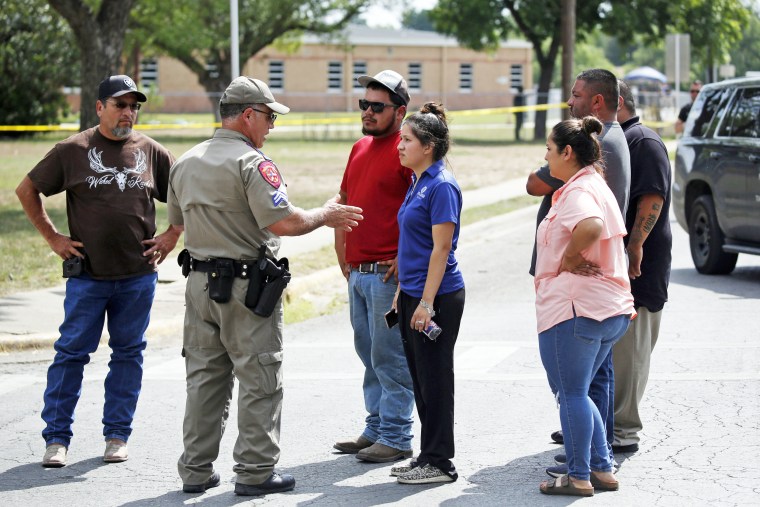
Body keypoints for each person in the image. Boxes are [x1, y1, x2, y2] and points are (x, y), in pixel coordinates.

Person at [167, 76, 363, 497]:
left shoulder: (185, 162)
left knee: (204, 378)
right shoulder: (254, 164)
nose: (271, 125)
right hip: (246, 289)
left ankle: (195, 471)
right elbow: (285, 222)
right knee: (259, 377)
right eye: (269, 116)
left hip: (199, 285)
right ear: (248, 115)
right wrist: (325, 215)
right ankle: (255, 472)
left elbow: (177, 223)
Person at [15, 75, 181, 468]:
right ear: (99, 107)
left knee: (128, 354)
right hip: (88, 277)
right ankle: (56, 439)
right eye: (120, 104)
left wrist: (173, 233)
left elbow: (185, 193)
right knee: (71, 354)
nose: (128, 112)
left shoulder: (152, 151)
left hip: (137, 276)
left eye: (134, 105)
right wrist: (54, 238)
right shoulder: (73, 150)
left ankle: (117, 435)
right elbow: (26, 190)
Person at [527, 69, 631, 463]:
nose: (546, 159)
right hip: (604, 308)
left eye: (549, 152)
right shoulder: (591, 180)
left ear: (567, 153)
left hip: (577, 310)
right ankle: (600, 466)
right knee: (582, 391)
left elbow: (591, 225)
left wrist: (569, 258)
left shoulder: (579, 190)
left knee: (571, 393)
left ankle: (579, 472)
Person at [332, 70, 416, 463]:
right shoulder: (359, 146)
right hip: (359, 273)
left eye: (376, 106)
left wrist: (405, 256)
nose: (367, 111)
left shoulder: (409, 149)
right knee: (368, 354)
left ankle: (397, 436)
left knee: (390, 356)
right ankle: (376, 427)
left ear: (399, 112)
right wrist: (342, 251)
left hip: (387, 276)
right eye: (363, 104)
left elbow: (426, 207)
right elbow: (345, 198)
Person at [391, 102, 465, 485]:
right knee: (421, 379)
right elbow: (413, 245)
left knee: (435, 379)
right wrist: (403, 292)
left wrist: (425, 303)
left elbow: (441, 249)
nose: (399, 146)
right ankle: (427, 456)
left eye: (406, 140)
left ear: (429, 146)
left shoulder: (442, 186)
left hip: (436, 297)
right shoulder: (419, 181)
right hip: (413, 294)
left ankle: (440, 462)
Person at [613, 80, 672, 454]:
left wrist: (635, 245)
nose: (572, 103)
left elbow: (652, 198)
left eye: (579, 96)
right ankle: (598, 419)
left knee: (631, 351)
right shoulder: (612, 139)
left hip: (639, 267)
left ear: (613, 102)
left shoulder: (643, 141)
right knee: (609, 350)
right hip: (612, 267)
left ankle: (623, 429)